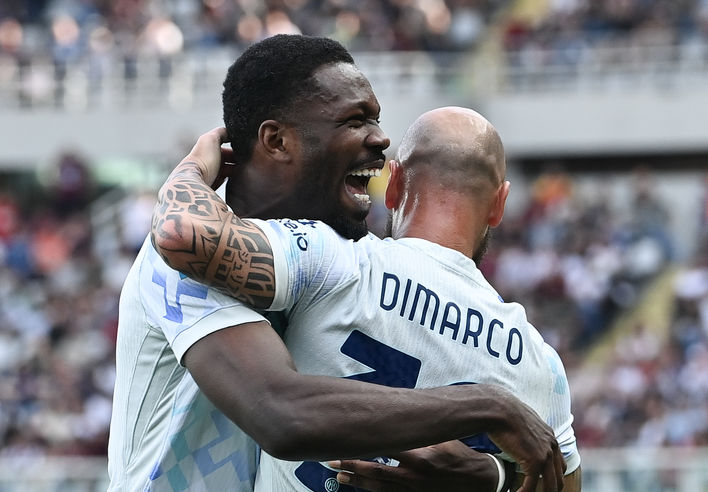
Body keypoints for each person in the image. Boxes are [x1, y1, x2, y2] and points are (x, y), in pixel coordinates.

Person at [109, 34, 565, 492]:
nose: (381, 138)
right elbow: (280, 412)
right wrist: (488, 406)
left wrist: (494, 475)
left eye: (376, 119)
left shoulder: (335, 258)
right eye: (355, 120)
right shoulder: (187, 260)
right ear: (277, 141)